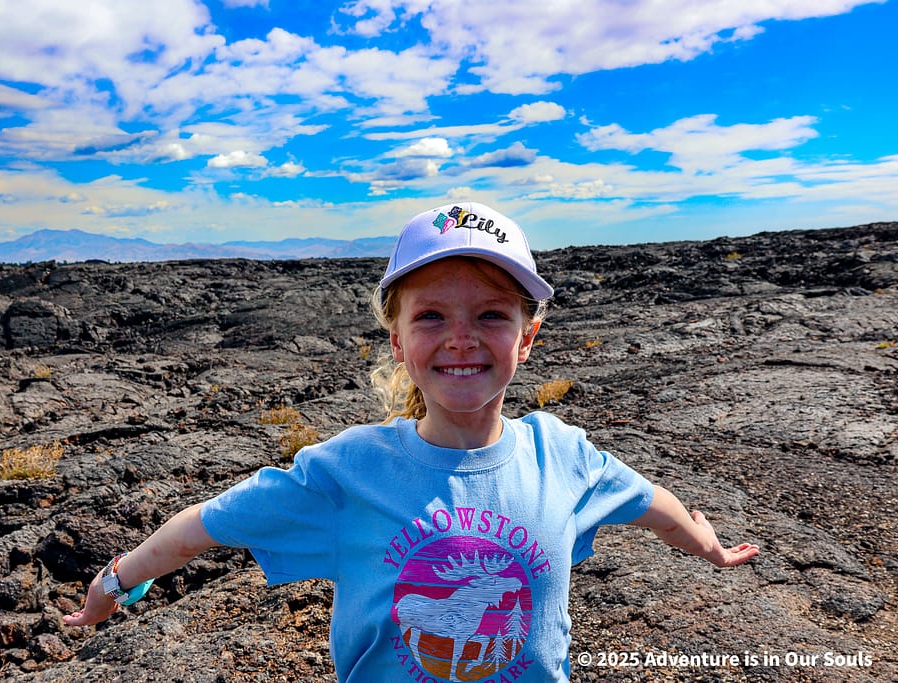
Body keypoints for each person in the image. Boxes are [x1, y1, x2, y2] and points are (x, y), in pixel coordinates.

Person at [62, 201, 759, 682]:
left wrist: (707, 544)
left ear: (527, 334)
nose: (461, 336)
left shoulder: (564, 456)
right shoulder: (348, 470)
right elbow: (206, 525)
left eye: (491, 313)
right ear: (398, 341)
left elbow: (647, 502)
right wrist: (115, 582)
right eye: (432, 315)